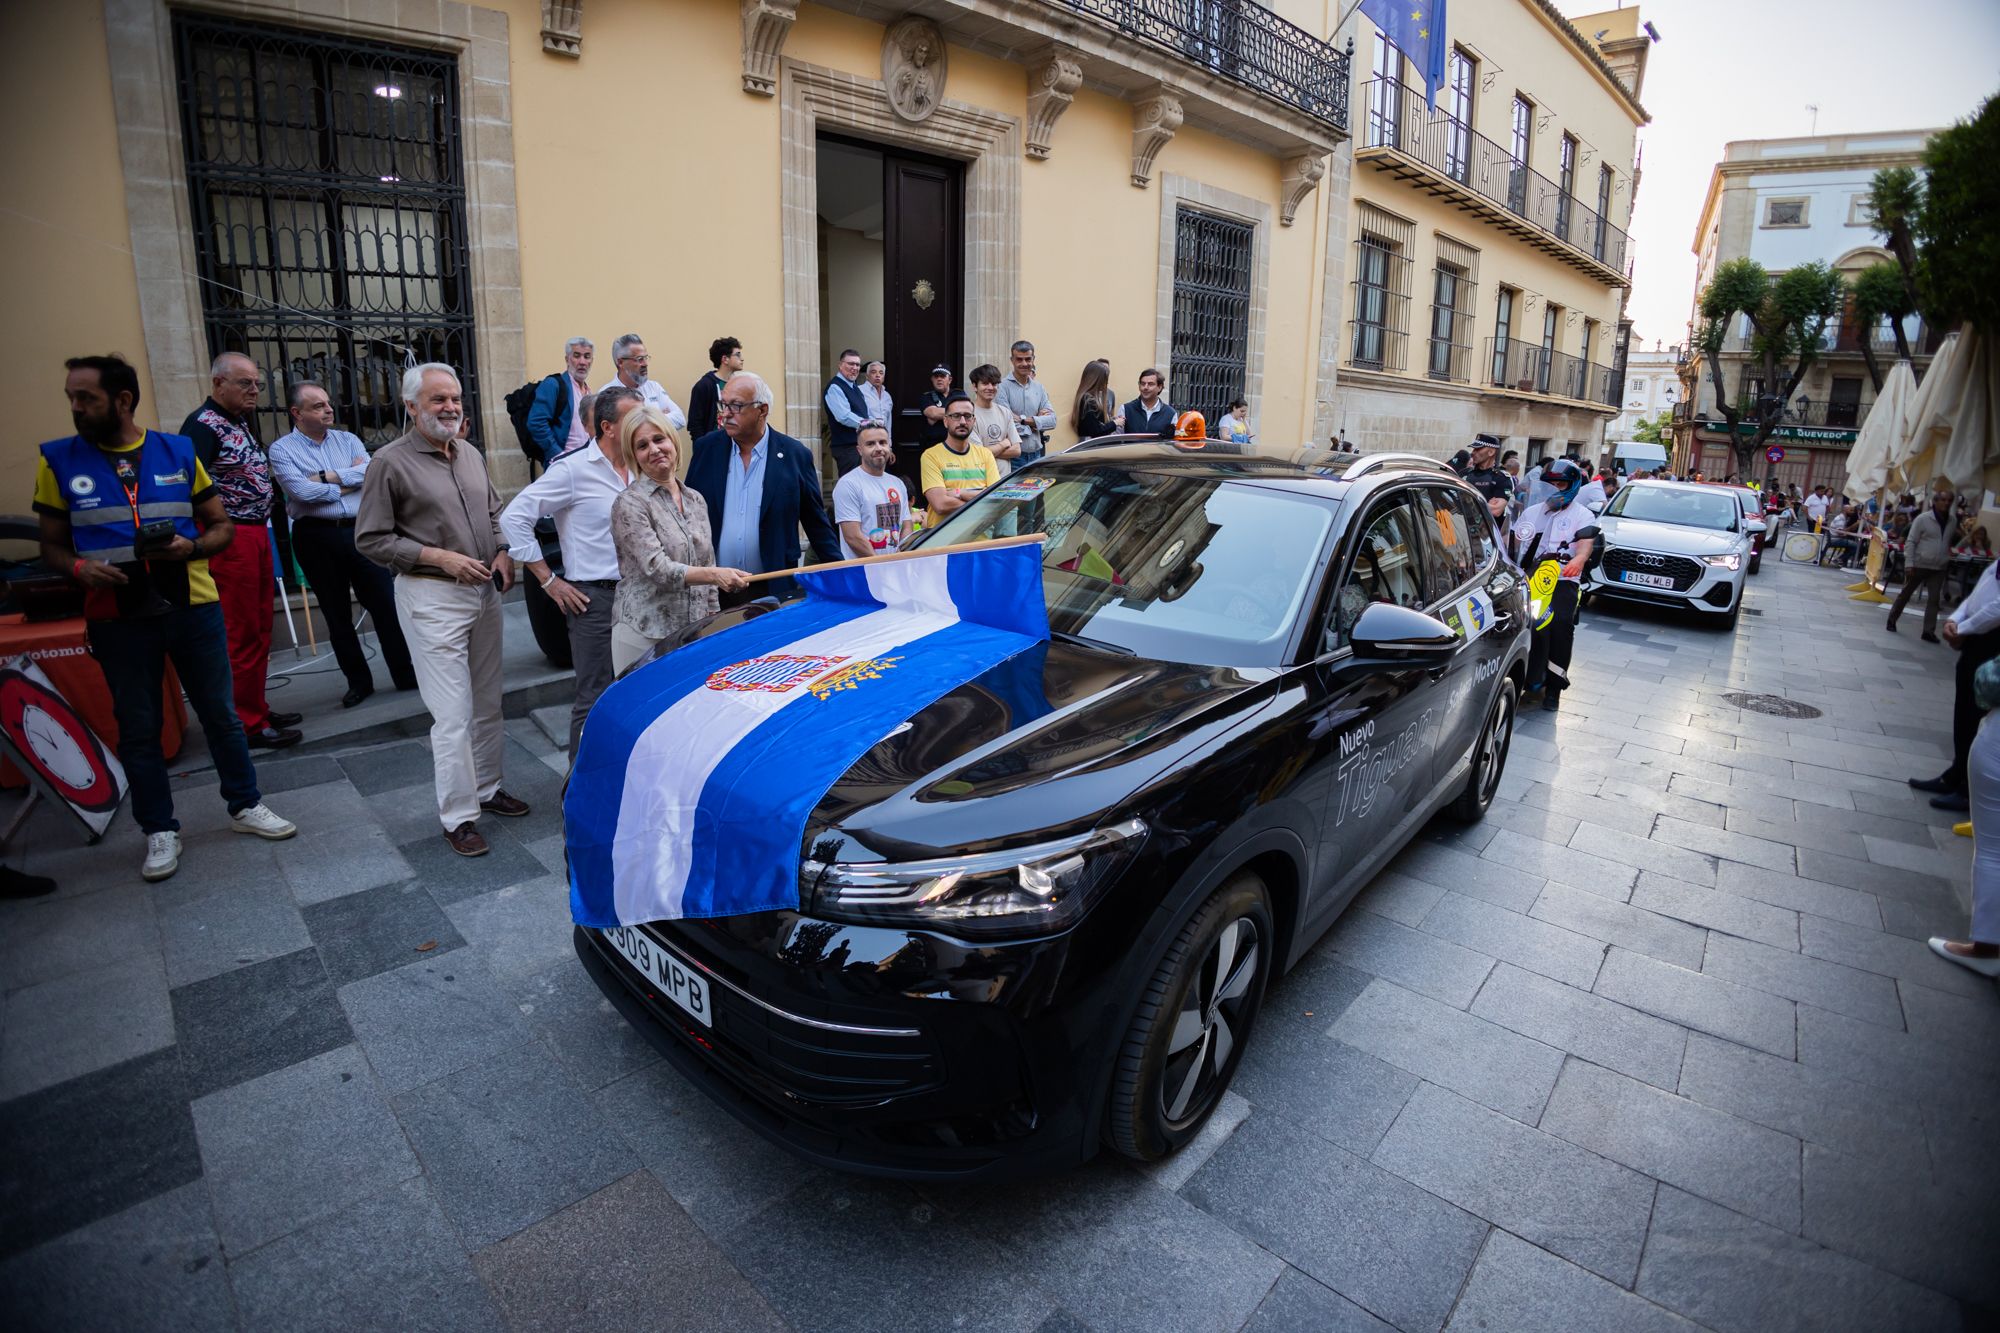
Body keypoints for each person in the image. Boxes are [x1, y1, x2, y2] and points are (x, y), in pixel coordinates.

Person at [36, 354, 297, 881]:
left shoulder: (176, 451)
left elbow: (221, 526)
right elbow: (50, 549)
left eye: (86, 397)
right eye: (72, 397)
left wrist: (192, 547)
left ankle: (245, 805)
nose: (76, 407)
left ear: (123, 400)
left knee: (220, 715)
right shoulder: (57, 461)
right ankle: (159, 829)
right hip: (116, 615)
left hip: (192, 605)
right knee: (139, 726)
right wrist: (80, 568)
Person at [355, 363, 530, 858]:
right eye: (437, 400)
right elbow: (370, 539)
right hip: (432, 597)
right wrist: (437, 557)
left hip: (483, 593)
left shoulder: (470, 453)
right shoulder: (388, 462)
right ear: (411, 406)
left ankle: (488, 789)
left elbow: (494, 510)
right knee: (452, 716)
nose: (450, 407)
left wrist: (500, 550)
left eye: (454, 398)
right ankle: (457, 817)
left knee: (489, 702)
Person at [499, 385, 640, 760]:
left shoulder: (641, 467)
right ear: (608, 427)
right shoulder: (573, 470)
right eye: (634, 418)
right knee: (594, 696)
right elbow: (514, 517)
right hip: (594, 600)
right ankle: (578, 788)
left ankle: (619, 777)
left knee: (636, 691)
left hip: (641, 598)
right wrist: (548, 580)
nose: (643, 426)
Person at [269, 380, 417, 707]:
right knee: (337, 615)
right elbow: (300, 494)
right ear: (297, 412)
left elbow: (371, 475)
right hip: (316, 537)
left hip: (361, 530)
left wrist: (324, 477)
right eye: (317, 406)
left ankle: (405, 673)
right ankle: (359, 682)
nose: (328, 409)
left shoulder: (348, 439)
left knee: (386, 605)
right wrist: (348, 479)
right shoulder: (281, 450)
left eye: (327, 403)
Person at [180, 352, 300, 749]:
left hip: (256, 533)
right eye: (245, 383)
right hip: (231, 539)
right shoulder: (202, 426)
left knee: (261, 625)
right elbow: (189, 489)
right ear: (218, 384)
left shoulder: (238, 421)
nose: (253, 391)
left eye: (257, 384)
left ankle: (256, 706)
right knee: (241, 630)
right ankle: (246, 723)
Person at [609, 407, 752, 675]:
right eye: (642, 445)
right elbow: (658, 568)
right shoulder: (629, 503)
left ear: (673, 442)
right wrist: (715, 575)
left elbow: (708, 564)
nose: (654, 449)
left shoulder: (695, 499)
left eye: (659, 439)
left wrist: (713, 623)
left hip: (692, 633)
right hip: (644, 633)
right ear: (634, 457)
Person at [687, 371, 841, 605]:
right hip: (714, 590)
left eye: (736, 406)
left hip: (772, 588)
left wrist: (844, 574)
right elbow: (688, 513)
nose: (726, 414)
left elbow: (817, 525)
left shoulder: (794, 455)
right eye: (724, 405)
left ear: (762, 410)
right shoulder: (707, 449)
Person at [1911, 557, 2000, 814]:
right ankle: (1955, 774)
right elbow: (1977, 596)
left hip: (1990, 641)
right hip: (1975, 639)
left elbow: (1997, 608)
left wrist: (1964, 627)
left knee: (1976, 716)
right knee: (1964, 712)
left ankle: (1968, 790)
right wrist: (1955, 620)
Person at [1510, 457, 1598, 712]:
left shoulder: (1583, 514)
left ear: (1571, 485)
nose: (1554, 489)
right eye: (1550, 484)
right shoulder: (1532, 511)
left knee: (1559, 624)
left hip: (1562, 581)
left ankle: (1555, 687)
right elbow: (1514, 540)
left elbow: (1585, 544)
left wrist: (1579, 559)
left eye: (1560, 484)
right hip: (1528, 578)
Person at [833, 423, 913, 557]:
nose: (878, 448)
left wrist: (901, 557)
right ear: (859, 450)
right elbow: (853, 537)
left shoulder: (898, 483)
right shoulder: (848, 484)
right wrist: (879, 565)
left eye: (883, 442)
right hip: (863, 571)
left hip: (895, 568)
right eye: (870, 444)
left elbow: (906, 525)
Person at [921, 394, 1000, 517]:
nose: (963, 422)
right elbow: (941, 505)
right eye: (956, 416)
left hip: (980, 534)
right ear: (946, 421)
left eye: (968, 416)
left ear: (973, 421)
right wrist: (981, 497)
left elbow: (995, 498)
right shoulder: (931, 456)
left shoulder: (985, 454)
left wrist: (959, 492)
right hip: (942, 534)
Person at [525, 336, 594, 466]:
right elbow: (536, 422)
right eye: (577, 355)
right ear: (567, 359)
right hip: (563, 463)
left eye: (587, 356)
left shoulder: (588, 392)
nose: (582, 362)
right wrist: (556, 454)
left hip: (586, 462)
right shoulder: (553, 385)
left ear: (592, 361)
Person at [606, 334, 686, 431]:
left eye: (646, 358)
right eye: (639, 359)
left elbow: (680, 419)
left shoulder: (654, 387)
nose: (645, 364)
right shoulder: (607, 395)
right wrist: (660, 417)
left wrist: (640, 424)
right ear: (620, 362)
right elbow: (619, 434)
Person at [998, 340, 1058, 466]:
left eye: (1028, 359)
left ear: (1033, 359)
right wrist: (1038, 422)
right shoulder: (1002, 387)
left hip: (1037, 454)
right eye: (1019, 359)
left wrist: (1023, 420)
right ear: (1012, 360)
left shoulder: (1039, 387)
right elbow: (1007, 423)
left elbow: (1053, 420)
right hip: (1014, 457)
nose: (1024, 363)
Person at [967, 364, 1025, 470]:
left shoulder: (1005, 412)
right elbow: (978, 455)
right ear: (975, 386)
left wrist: (988, 451)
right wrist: (1004, 443)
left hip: (1003, 480)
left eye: (994, 384)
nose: (990, 388)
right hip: (981, 481)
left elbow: (1017, 450)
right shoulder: (967, 414)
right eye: (985, 383)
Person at [686, 336, 742, 442]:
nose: (742, 358)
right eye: (737, 355)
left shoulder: (739, 384)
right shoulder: (704, 386)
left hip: (736, 447)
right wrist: (703, 447)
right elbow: (695, 424)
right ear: (725, 359)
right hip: (713, 447)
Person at [823, 347, 869, 476]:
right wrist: (869, 424)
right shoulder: (835, 387)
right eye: (851, 363)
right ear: (840, 365)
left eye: (857, 364)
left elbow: (864, 413)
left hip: (860, 446)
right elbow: (843, 416)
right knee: (850, 488)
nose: (854, 367)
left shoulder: (855, 388)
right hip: (847, 449)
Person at [1071, 359, 1123, 440]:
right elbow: (1096, 432)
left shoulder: (1085, 397)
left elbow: (1095, 424)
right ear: (1097, 380)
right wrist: (1115, 423)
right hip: (1091, 446)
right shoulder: (1088, 400)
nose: (1106, 383)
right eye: (1104, 379)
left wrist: (1111, 420)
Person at [1460, 436, 1512, 515]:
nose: (1473, 452)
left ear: (1491, 452)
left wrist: (1466, 503)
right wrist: (1486, 505)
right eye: (1473, 449)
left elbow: (1496, 511)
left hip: (1488, 526)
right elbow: (1453, 504)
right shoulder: (1465, 473)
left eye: (1477, 449)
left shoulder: (1501, 478)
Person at [1122, 369, 1174, 439]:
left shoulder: (1171, 414)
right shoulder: (1125, 409)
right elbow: (1116, 441)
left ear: (1159, 387)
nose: (1145, 387)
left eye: (1150, 384)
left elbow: (1172, 443)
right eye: (1143, 384)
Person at [918, 365, 954, 447]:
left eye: (943, 376)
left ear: (950, 379)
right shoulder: (926, 397)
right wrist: (957, 414)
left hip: (955, 445)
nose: (939, 379)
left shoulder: (958, 394)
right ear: (932, 379)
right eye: (936, 376)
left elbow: (967, 411)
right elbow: (933, 413)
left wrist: (939, 414)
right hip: (932, 445)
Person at [860, 359, 894, 429]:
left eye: (881, 373)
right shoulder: (859, 391)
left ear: (883, 377)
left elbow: (888, 422)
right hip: (866, 436)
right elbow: (857, 418)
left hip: (883, 437)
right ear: (867, 376)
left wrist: (888, 439)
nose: (878, 375)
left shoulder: (887, 396)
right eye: (873, 372)